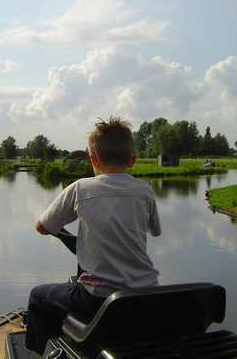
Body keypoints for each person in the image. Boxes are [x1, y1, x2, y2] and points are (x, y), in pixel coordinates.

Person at [24, 117, 162, 355]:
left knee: (38, 296)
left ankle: (42, 353)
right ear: (132, 161)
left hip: (98, 298)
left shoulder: (80, 188)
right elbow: (155, 230)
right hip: (144, 295)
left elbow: (42, 227)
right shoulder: (145, 190)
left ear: (92, 159)